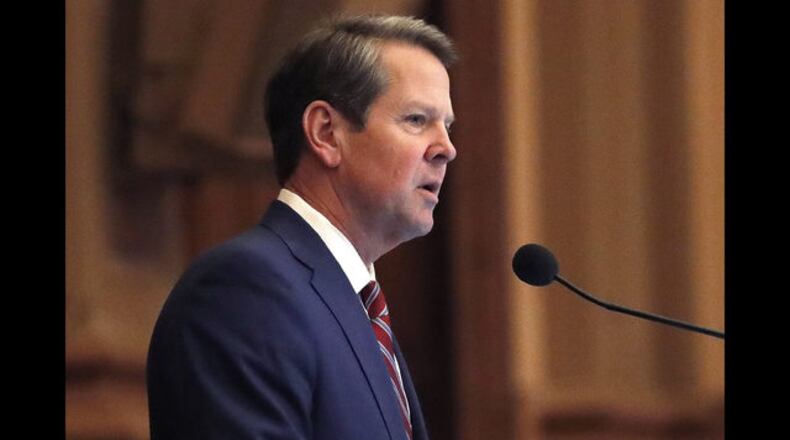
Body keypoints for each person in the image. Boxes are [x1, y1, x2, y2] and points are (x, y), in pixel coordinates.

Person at [146, 14, 457, 440]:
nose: (446, 149)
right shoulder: (245, 291)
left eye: (447, 125)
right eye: (417, 120)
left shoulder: (357, 305)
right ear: (326, 133)